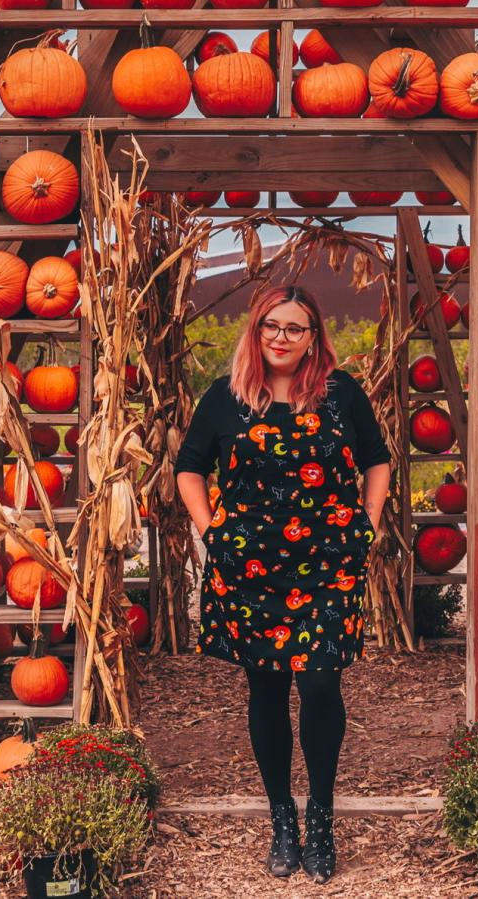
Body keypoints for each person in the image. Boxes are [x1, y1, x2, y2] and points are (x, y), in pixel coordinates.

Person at [174, 285, 391, 883]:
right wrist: (210, 528)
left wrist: (367, 524)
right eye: (271, 325)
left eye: (295, 329)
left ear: (314, 336)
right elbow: (189, 466)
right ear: (256, 328)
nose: (281, 338)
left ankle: (320, 816)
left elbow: (378, 458)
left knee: (321, 686)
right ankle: (282, 820)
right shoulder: (227, 397)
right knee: (266, 690)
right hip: (250, 570)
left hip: (328, 564)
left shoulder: (342, 394)